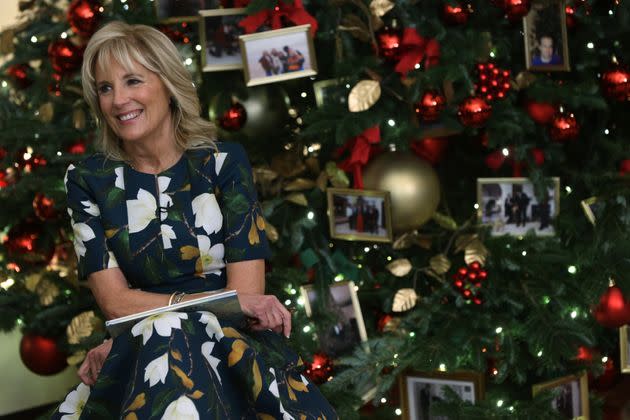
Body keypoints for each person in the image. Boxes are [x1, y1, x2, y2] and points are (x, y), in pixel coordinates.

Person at [50, 21, 337, 419]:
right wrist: (187, 309)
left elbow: (245, 295)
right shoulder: (87, 181)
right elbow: (115, 304)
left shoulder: (224, 164)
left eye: (133, 81)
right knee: (164, 335)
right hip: (137, 346)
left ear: (168, 85)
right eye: (105, 88)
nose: (118, 100)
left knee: (171, 336)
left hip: (229, 346)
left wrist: (162, 312)